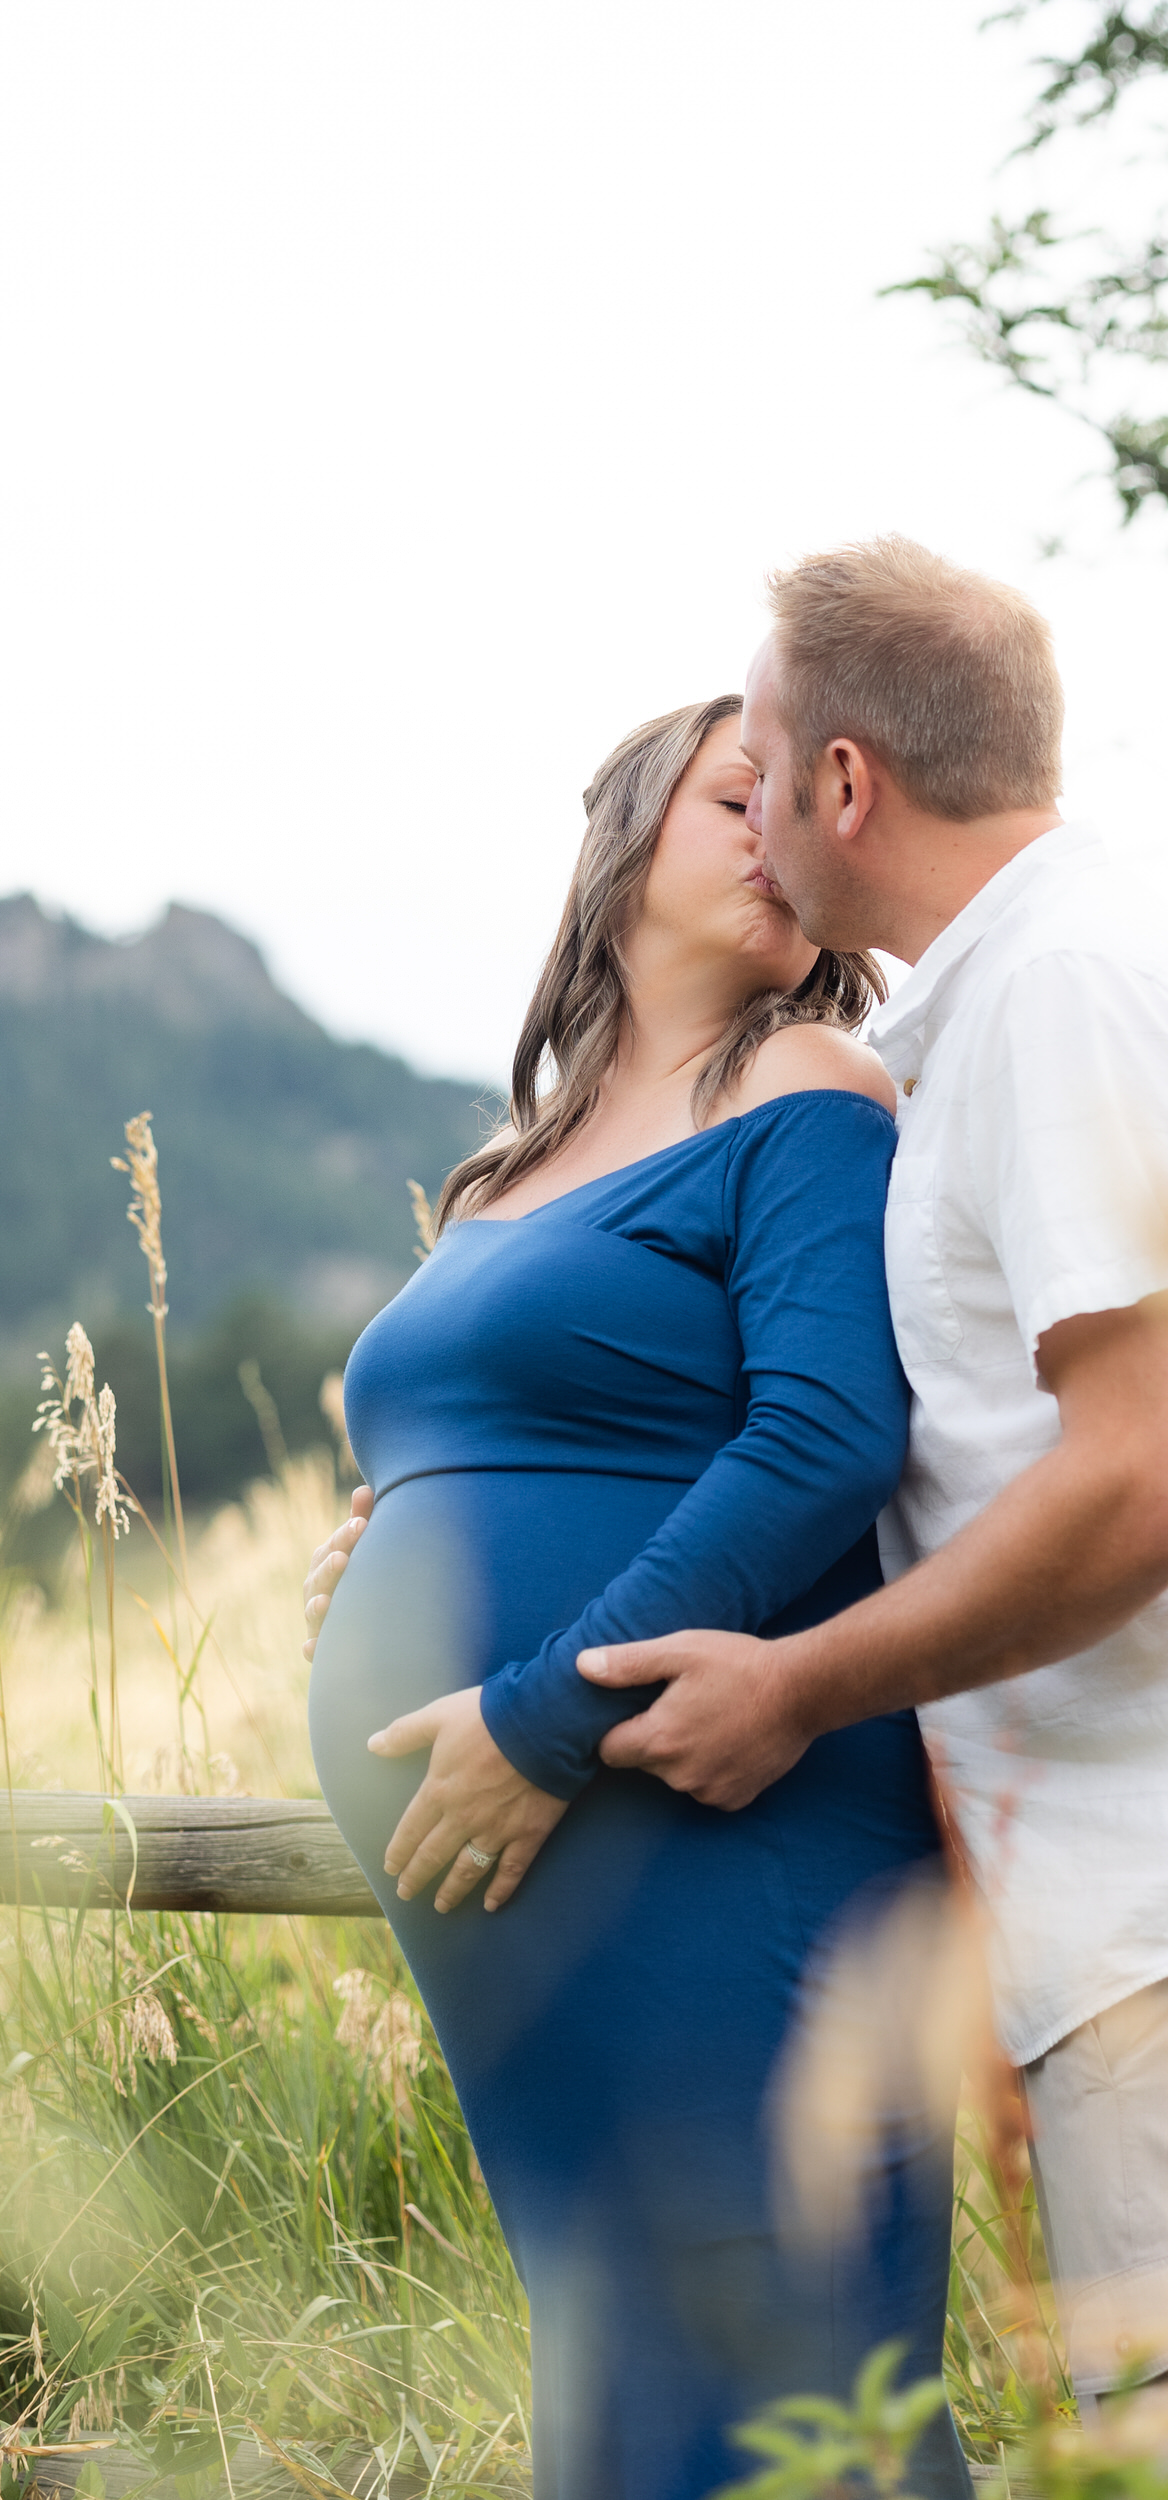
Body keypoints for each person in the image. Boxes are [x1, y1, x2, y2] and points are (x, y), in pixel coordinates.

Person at [548, 542, 1168, 2495]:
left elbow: (1151, 1475)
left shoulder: (1069, 992)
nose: (750, 819)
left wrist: (796, 1685)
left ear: (846, 785)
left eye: (766, 766)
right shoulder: (1011, 1009)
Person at [303, 693, 971, 2500]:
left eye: (804, 805)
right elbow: (526, 1433)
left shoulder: (806, 1091)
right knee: (623, 2349)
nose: (779, 831)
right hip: (531, 1876)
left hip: (689, 1801)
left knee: (787, 2346)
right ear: (624, 836)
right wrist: (408, 1543)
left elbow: (830, 1434)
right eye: (734, 793)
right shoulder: (514, 1164)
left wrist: (537, 1711)